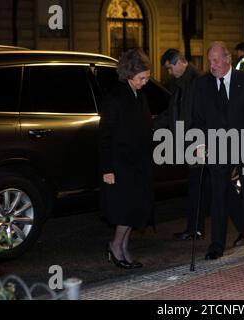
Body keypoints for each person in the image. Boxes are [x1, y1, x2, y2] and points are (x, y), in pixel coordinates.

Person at [191, 41, 244, 260]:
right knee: (218, 196)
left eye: (216, 60)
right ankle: (216, 246)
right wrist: (199, 144)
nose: (212, 65)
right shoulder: (202, 84)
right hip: (216, 146)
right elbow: (196, 118)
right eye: (209, 61)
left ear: (227, 60)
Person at [99, 48, 154, 269]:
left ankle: (123, 247)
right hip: (120, 165)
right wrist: (107, 169)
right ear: (129, 74)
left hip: (137, 164)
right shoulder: (115, 98)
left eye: (147, 78)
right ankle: (115, 245)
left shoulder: (139, 95)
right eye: (142, 78)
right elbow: (105, 136)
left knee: (135, 209)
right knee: (125, 210)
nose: (145, 82)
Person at [154, 48, 208, 240]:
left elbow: (204, 116)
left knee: (203, 188)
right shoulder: (178, 85)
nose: (168, 72)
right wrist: (152, 126)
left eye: (170, 68)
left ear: (180, 62)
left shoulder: (198, 82)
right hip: (188, 144)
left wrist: (200, 142)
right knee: (198, 187)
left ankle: (196, 229)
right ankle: (195, 228)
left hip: (198, 144)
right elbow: (172, 113)